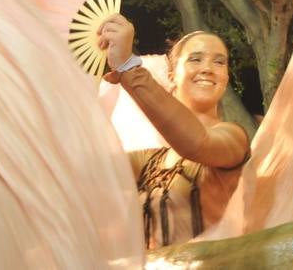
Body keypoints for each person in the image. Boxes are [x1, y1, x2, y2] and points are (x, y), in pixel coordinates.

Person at [97, 17, 251, 248]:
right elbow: (77, 173)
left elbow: (198, 144)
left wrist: (129, 68)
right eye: (195, 59)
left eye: (220, 62)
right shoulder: (148, 161)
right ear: (171, 75)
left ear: (226, 77)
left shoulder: (234, 138)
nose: (208, 69)